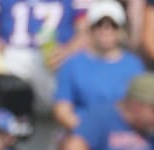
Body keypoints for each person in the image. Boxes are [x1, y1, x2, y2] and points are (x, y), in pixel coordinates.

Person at [53, 0, 145, 131]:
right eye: (99, 24)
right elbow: (62, 110)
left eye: (113, 25)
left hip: (123, 136)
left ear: (121, 29)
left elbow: (141, 109)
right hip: (82, 133)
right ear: (91, 28)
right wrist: (89, 133)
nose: (106, 30)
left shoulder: (134, 65)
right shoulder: (72, 64)